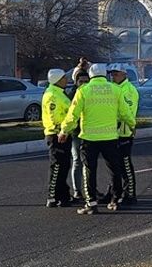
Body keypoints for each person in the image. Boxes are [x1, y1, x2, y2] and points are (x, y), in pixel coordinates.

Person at [59, 63, 131, 215]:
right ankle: (116, 200)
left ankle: (91, 203)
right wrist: (132, 125)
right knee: (114, 169)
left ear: (90, 75)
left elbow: (73, 115)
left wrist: (64, 130)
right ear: (105, 75)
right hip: (110, 137)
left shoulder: (83, 90)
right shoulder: (115, 89)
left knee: (89, 170)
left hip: (89, 138)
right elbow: (125, 113)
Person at [107, 62, 141, 204]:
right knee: (114, 166)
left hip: (124, 132)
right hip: (111, 133)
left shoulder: (129, 90)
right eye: (111, 74)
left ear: (124, 74)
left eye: (116, 74)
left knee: (125, 164)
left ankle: (130, 194)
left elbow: (128, 112)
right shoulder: (112, 88)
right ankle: (113, 191)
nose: (113, 76)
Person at [41, 69, 73, 207]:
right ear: (57, 80)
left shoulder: (59, 93)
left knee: (64, 166)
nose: (66, 80)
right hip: (57, 135)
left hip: (64, 134)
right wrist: (62, 130)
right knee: (57, 167)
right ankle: (52, 196)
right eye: (64, 78)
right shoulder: (53, 95)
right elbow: (55, 118)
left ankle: (63, 195)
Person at [66, 69, 91, 202]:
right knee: (77, 161)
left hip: (89, 132)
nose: (83, 84)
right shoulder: (72, 95)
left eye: (86, 81)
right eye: (81, 81)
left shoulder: (91, 93)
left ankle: (90, 188)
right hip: (76, 133)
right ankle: (77, 191)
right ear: (76, 82)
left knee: (88, 163)